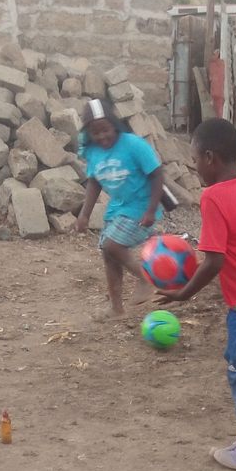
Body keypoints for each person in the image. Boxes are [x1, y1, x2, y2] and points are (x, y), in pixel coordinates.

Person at [156, 119, 236, 471]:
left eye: (195, 159)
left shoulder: (213, 196)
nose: (194, 167)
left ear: (210, 158)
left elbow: (214, 260)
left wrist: (183, 294)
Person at [75, 97, 165, 317]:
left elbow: (156, 174)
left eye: (105, 130)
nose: (102, 136)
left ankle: (146, 279)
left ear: (114, 125)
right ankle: (116, 308)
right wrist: (84, 215)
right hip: (117, 209)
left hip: (141, 207)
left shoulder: (133, 145)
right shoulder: (93, 151)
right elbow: (94, 182)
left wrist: (151, 210)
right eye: (95, 133)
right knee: (109, 255)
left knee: (111, 245)